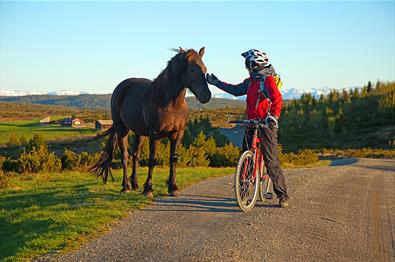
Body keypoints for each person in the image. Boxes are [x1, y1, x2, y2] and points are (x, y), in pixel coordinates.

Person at [206, 49, 289, 208]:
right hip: (252, 122)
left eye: (247, 64)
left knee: (271, 161)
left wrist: (273, 116)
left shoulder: (268, 80)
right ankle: (243, 194)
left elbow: (277, 99)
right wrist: (217, 83)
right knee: (246, 160)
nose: (246, 67)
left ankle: (282, 195)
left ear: (254, 64)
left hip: (267, 124)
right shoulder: (251, 80)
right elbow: (236, 90)